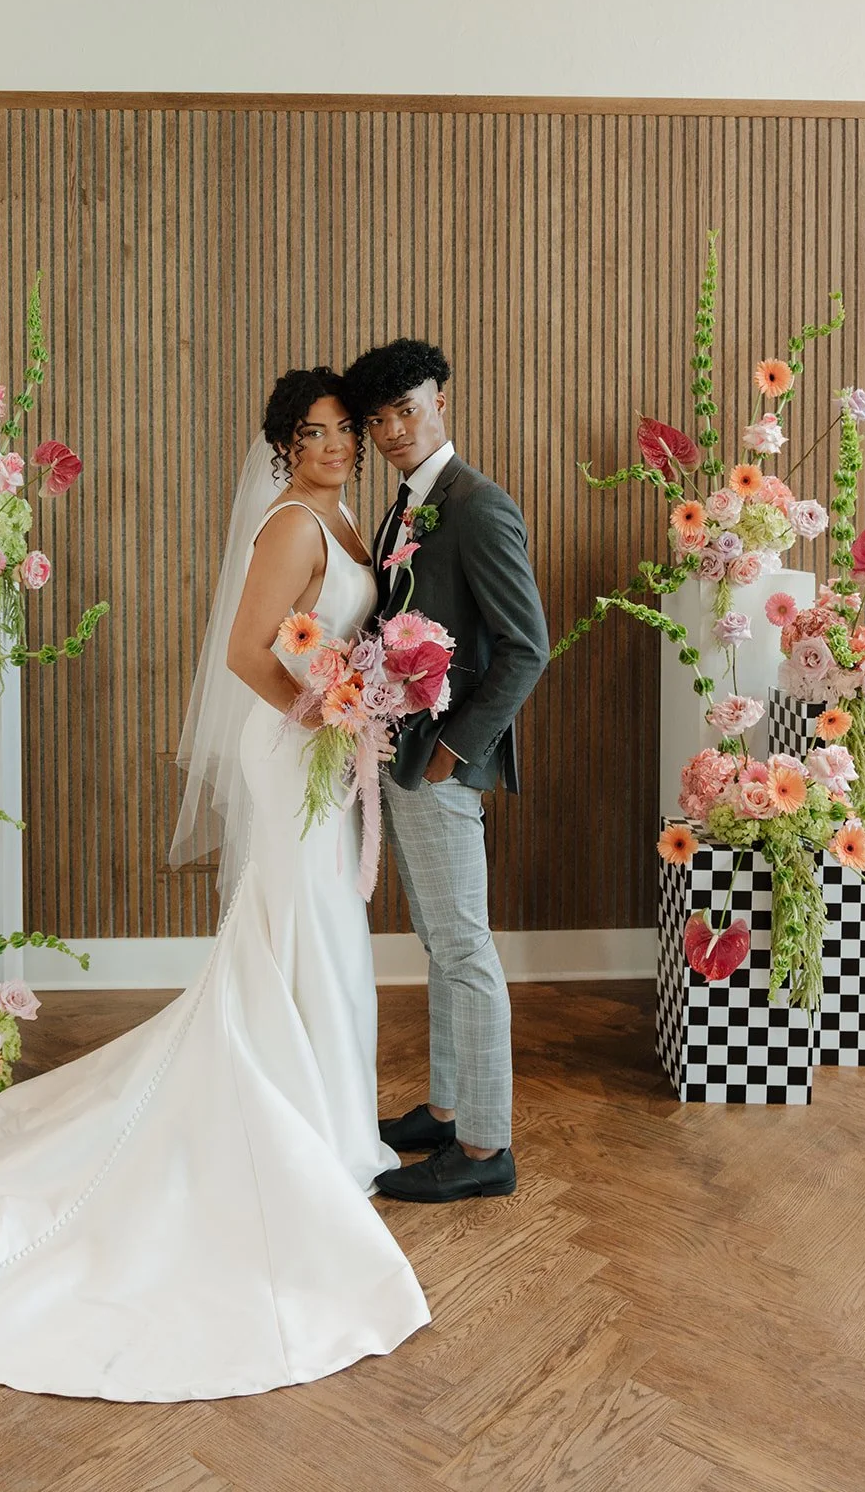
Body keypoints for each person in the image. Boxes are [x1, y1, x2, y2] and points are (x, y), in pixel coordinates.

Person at [0, 367, 429, 1403]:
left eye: (343, 429)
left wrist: (353, 696)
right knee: (307, 927)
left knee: (323, 930)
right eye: (314, 432)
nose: (334, 444)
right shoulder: (293, 524)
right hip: (292, 750)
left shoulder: (351, 521)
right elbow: (249, 650)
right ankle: (314, 1130)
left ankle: (331, 1123)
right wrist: (324, 710)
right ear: (282, 448)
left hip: (326, 754)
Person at [343, 339, 550, 1205]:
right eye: (378, 418)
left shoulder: (476, 505)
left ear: (440, 401)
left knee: (464, 948)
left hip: (440, 764)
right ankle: (444, 1107)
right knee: (437, 943)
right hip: (401, 751)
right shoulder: (406, 506)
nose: (393, 429)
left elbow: (525, 648)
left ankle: (485, 1146)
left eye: (407, 408)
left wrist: (453, 755)